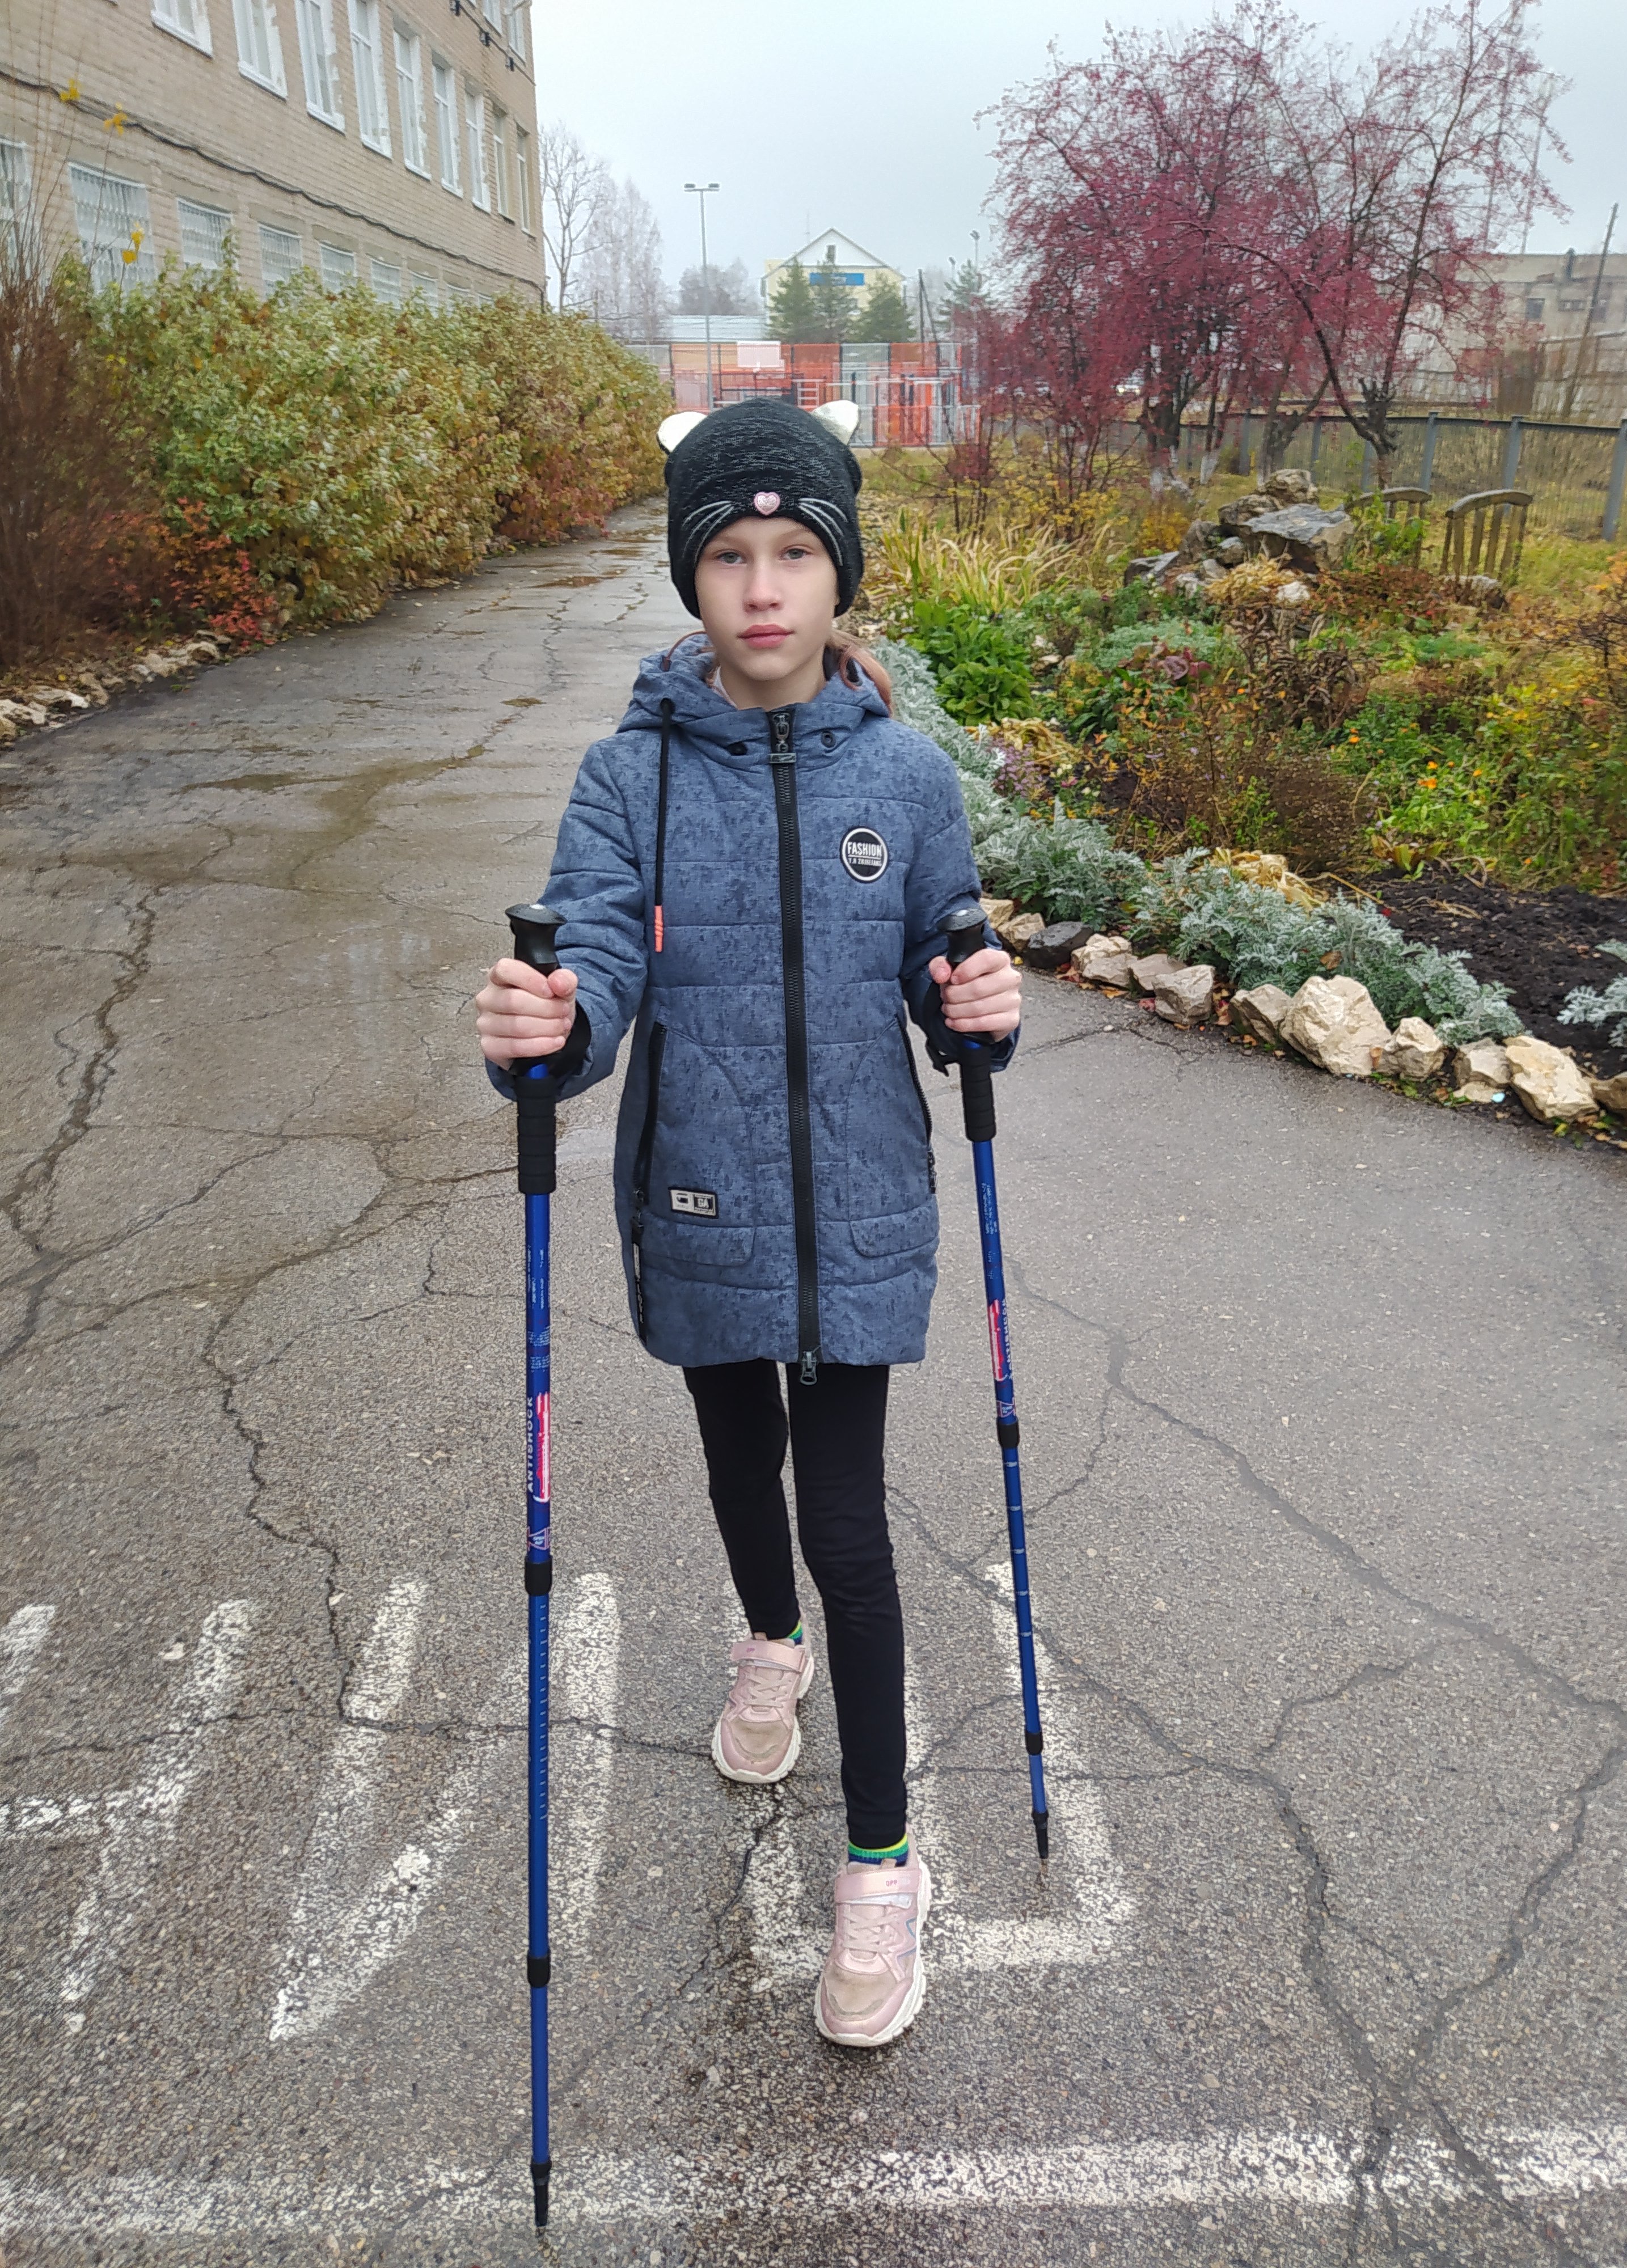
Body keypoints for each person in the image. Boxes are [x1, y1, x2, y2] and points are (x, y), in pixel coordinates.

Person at [474, 396, 1020, 2048]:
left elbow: (944, 958)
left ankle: (881, 1865)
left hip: (860, 1203)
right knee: (736, 1463)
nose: (763, 588)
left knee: (848, 1519)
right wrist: (551, 1023)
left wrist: (975, 1006)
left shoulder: (907, 776)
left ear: (841, 572)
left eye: (795, 553)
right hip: (700, 1192)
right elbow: (593, 962)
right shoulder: (627, 777)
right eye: (728, 556)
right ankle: (765, 1642)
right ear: (689, 575)